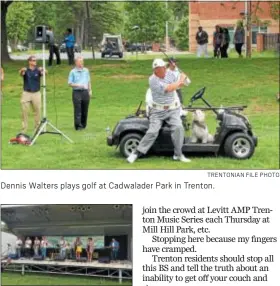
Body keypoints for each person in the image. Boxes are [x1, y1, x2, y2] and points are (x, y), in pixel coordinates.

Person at [127, 59, 191, 163]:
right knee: (153, 131)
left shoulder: (169, 73)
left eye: (165, 67)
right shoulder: (153, 80)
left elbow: (187, 83)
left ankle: (178, 154)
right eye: (162, 68)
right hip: (157, 111)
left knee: (179, 128)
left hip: (172, 110)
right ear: (156, 70)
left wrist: (176, 70)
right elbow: (169, 88)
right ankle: (136, 153)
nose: (165, 69)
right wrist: (180, 81)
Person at [19, 56, 47, 134]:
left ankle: (37, 129)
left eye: (35, 60)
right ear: (29, 62)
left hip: (36, 93)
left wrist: (43, 69)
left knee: (37, 111)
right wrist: (22, 70)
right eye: (33, 60)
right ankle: (23, 130)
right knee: (25, 112)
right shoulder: (26, 70)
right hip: (26, 93)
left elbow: (45, 73)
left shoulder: (38, 70)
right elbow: (21, 73)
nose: (35, 62)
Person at [68, 56, 92, 130]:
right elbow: (69, 83)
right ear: (76, 63)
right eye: (79, 62)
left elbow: (88, 81)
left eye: (82, 62)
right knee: (78, 109)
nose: (81, 63)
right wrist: (78, 85)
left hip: (85, 91)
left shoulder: (86, 70)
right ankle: (78, 126)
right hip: (77, 92)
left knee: (85, 109)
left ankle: (84, 124)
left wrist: (90, 90)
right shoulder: (72, 72)